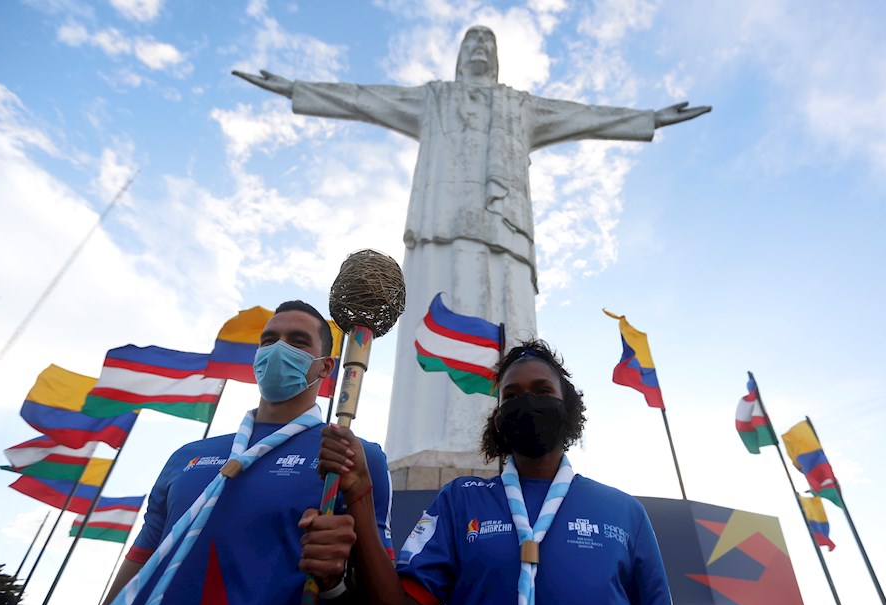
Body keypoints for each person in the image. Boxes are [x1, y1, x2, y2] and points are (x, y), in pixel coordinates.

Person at [235, 26, 711, 462]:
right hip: (438, 224)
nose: (480, 50)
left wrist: (648, 118)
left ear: (498, 59)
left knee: (509, 317)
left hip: (505, 231)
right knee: (432, 315)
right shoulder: (435, 99)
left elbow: (582, 118)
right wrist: (298, 90)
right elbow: (366, 100)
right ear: (460, 55)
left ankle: (509, 444)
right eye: (472, 43)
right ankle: (422, 444)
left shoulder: (519, 105)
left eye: (489, 44)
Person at [306, 339, 680, 605]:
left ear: (569, 407)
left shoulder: (624, 511)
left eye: (542, 391)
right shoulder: (461, 501)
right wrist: (360, 494)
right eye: (511, 396)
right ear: (497, 419)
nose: (526, 402)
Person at [74, 300, 393, 605]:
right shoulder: (187, 456)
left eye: (297, 341)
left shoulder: (353, 459)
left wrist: (335, 583)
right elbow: (134, 575)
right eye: (268, 340)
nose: (277, 350)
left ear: (325, 367)